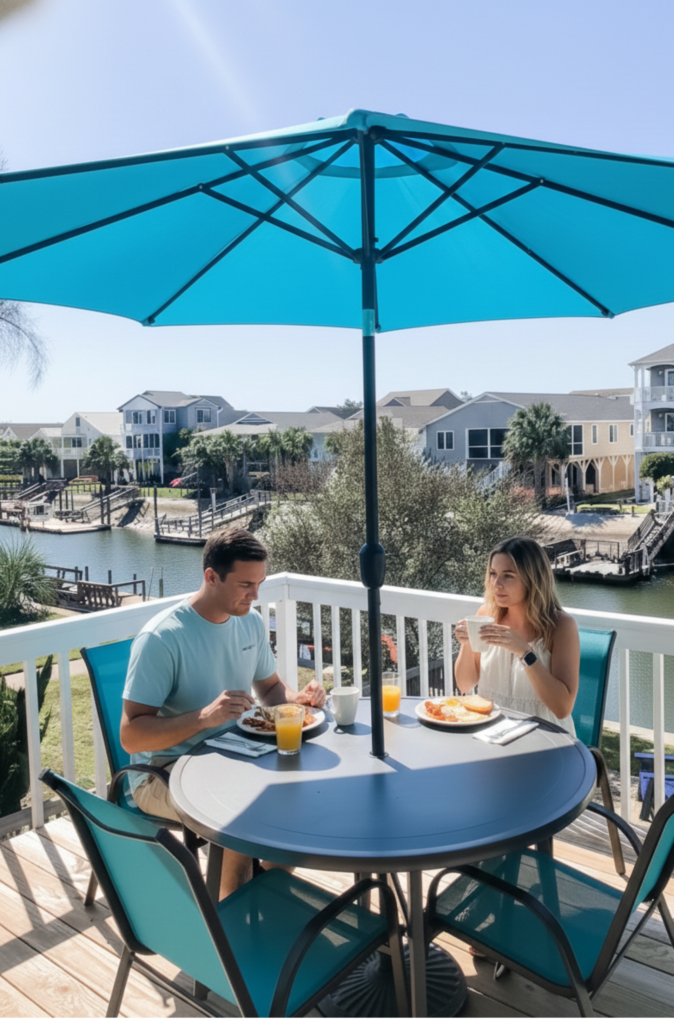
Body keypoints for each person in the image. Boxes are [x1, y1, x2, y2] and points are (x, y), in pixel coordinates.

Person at [120, 526, 326, 898]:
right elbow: (131, 734)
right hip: (162, 773)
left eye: (260, 583)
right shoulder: (162, 639)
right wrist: (203, 718)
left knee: (304, 795)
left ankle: (262, 890)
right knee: (240, 814)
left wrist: (301, 701)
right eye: (246, 584)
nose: (256, 594)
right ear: (211, 577)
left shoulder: (251, 623)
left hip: (235, 755)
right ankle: (234, 922)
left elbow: (270, 690)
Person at [454, 536, 579, 734]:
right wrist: (467, 643)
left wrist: (524, 652)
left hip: (546, 737)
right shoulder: (485, 616)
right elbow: (464, 684)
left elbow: (562, 708)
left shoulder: (561, 626)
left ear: (532, 579)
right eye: (493, 573)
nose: (496, 584)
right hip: (492, 734)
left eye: (508, 575)